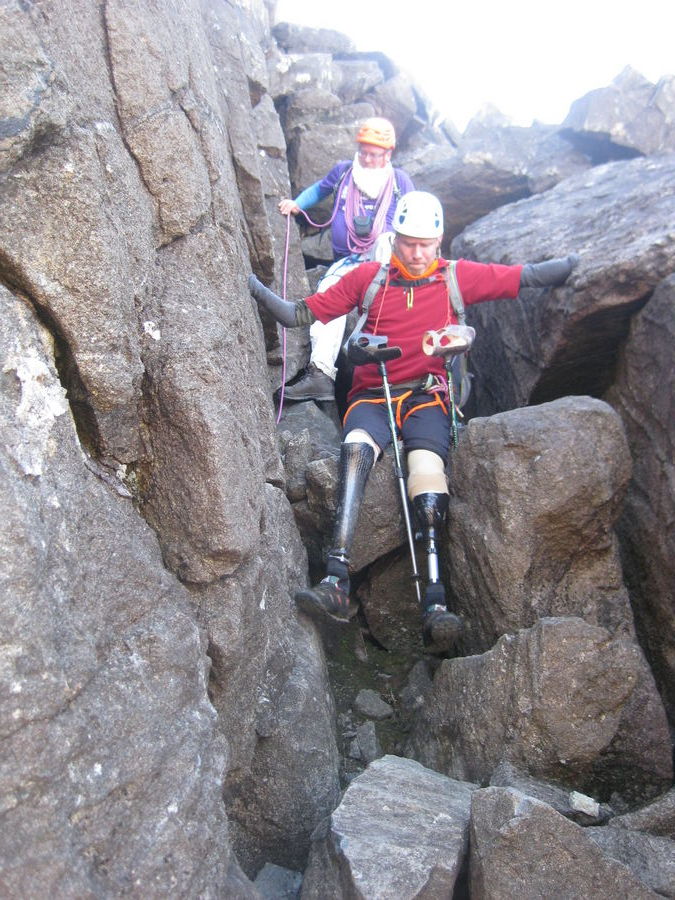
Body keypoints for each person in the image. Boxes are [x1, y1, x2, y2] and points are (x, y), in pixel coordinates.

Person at [249, 191, 578, 653]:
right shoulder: (368, 278)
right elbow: (299, 313)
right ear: (395, 239)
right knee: (356, 450)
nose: (417, 253)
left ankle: (436, 602)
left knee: (428, 474)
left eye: (425, 244)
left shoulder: (456, 279)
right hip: (371, 393)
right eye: (407, 243)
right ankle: (336, 578)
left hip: (428, 397)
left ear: (439, 240)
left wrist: (572, 265)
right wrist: (253, 287)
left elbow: (520, 279)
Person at [278, 116, 414, 401]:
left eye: (374, 154)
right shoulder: (344, 172)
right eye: (363, 151)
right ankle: (320, 374)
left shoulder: (400, 181)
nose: (366, 158)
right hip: (347, 263)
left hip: (385, 264)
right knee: (328, 298)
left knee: (387, 239)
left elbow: (414, 219)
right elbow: (319, 190)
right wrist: (296, 204)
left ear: (388, 154)